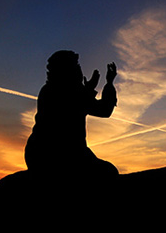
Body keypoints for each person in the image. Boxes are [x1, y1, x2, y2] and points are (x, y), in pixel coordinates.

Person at [24, 50, 119, 180]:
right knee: (109, 172)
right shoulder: (72, 92)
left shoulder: (47, 89)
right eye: (77, 66)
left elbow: (76, 105)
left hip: (35, 154)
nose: (80, 70)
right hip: (67, 155)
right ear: (69, 70)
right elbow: (104, 110)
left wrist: (89, 89)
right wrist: (109, 83)